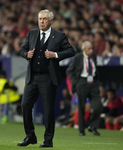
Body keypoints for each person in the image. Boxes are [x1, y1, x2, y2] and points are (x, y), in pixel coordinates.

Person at [17, 9, 75, 148]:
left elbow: (71, 50)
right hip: (32, 77)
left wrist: (55, 55)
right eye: (40, 19)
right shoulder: (31, 33)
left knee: (48, 110)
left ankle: (48, 140)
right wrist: (27, 54)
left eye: (44, 19)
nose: (41, 21)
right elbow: (22, 50)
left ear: (51, 21)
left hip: (48, 78)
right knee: (25, 105)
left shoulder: (59, 35)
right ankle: (30, 136)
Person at [66, 41, 102, 136]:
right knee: (81, 108)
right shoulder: (78, 57)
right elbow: (69, 71)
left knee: (98, 105)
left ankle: (92, 126)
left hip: (93, 83)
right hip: (82, 83)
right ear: (84, 49)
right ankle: (81, 130)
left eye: (91, 48)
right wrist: (76, 82)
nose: (91, 50)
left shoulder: (93, 56)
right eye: (89, 49)